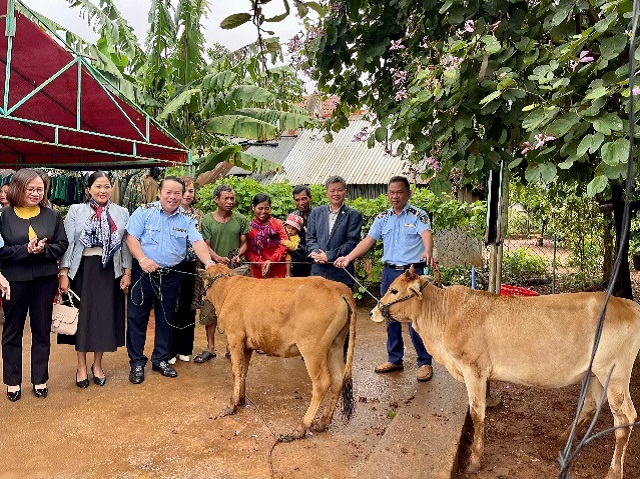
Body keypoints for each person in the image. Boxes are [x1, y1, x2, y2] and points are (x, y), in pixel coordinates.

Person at [334, 176, 436, 382]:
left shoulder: (419, 215)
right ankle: (394, 359)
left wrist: (428, 251)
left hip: (411, 273)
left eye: (399, 192)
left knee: (415, 318)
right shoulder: (382, 218)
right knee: (389, 315)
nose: (395, 196)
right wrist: (348, 258)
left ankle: (424, 362)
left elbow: (426, 236)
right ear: (387, 194)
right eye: (391, 192)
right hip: (390, 273)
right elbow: (368, 241)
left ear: (408, 193)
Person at [125, 176, 215, 384]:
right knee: (137, 319)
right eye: (168, 192)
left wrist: (209, 263)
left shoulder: (186, 218)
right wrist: (143, 259)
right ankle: (137, 363)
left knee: (167, 319)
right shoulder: (144, 211)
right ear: (160, 193)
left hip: (171, 275)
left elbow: (197, 241)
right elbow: (131, 238)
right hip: (144, 275)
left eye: (177, 193)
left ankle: (160, 359)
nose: (173, 197)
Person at [57, 171, 132, 389]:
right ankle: (81, 366)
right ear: (88, 189)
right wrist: (64, 273)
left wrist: (127, 272)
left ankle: (97, 365)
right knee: (83, 319)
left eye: (107, 186)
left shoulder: (121, 212)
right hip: (82, 271)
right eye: (98, 186)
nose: (103, 191)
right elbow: (68, 243)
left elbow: (126, 244)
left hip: (109, 271)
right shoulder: (76, 210)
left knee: (103, 319)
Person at [0, 168, 68, 401]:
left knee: (41, 330)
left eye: (39, 189)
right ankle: (12, 381)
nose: (36, 193)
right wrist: (25, 250)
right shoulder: (4, 217)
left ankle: (40, 378)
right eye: (31, 189)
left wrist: (44, 249)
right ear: (18, 188)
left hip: (44, 281)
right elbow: (1, 251)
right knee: (12, 331)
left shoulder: (52, 216)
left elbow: (62, 244)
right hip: (14, 281)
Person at [194, 184, 249, 363]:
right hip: (213, 273)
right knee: (209, 310)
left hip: (234, 274)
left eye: (232, 198)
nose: (230, 202)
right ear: (216, 200)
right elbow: (205, 245)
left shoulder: (240, 219)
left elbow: (245, 243)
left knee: (235, 311)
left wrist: (239, 255)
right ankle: (210, 348)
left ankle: (230, 347)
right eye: (225, 198)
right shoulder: (208, 220)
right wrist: (217, 258)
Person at [168, 177, 204, 365]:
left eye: (191, 191)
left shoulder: (199, 215)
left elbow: (202, 242)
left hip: (194, 266)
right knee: (173, 306)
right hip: (174, 265)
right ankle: (171, 349)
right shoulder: (170, 213)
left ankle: (185, 348)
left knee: (189, 307)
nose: (188, 194)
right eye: (185, 191)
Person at [306, 176, 362, 288]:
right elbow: (310, 237)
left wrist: (329, 256)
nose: (336, 193)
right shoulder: (316, 212)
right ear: (327, 192)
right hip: (318, 272)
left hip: (341, 272)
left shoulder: (353, 215)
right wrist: (317, 253)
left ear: (345, 192)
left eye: (339, 190)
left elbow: (352, 242)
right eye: (332, 190)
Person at [245, 193, 288, 279]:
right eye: (260, 208)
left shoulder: (277, 224)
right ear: (253, 208)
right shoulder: (248, 228)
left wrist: (271, 261)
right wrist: (262, 263)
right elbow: (248, 251)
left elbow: (284, 245)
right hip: (258, 272)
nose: (263, 212)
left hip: (278, 270)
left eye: (267, 208)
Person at [289, 185, 313, 277]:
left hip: (315, 260)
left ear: (310, 198)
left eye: (304, 199)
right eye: (297, 200)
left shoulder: (318, 215)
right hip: (298, 261)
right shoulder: (292, 218)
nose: (301, 203)